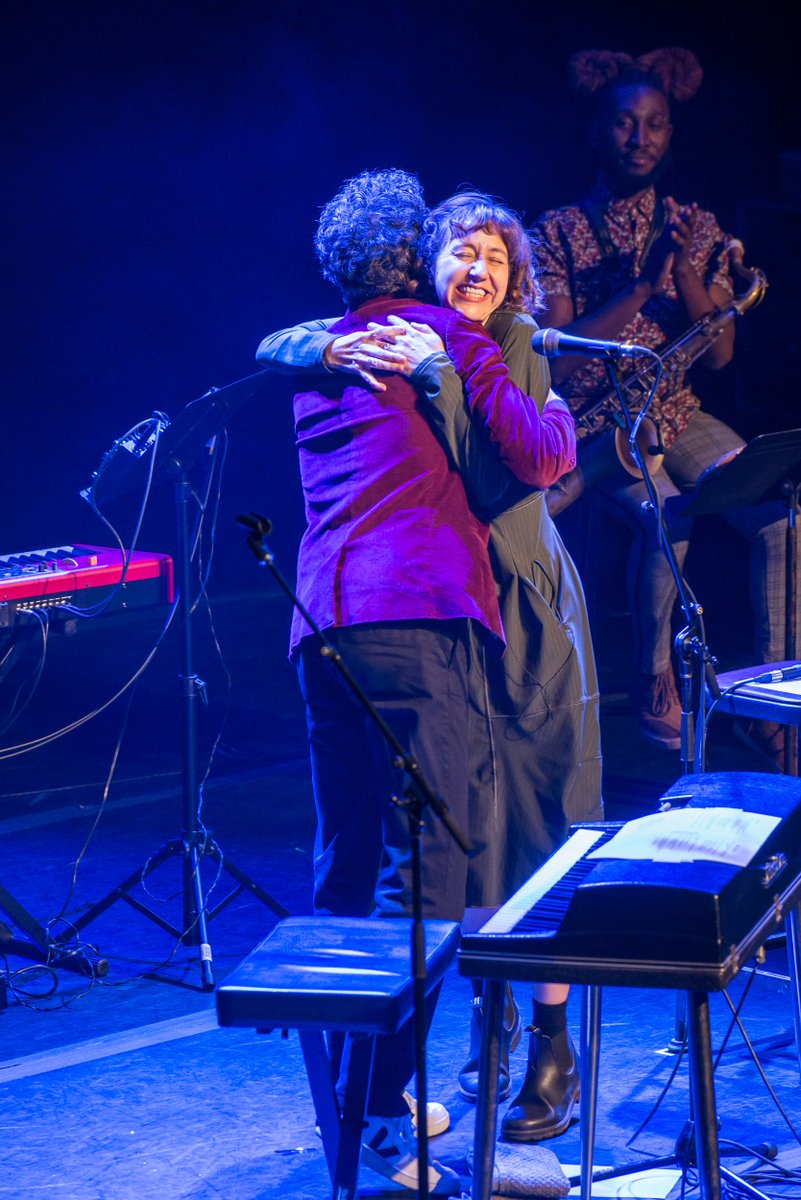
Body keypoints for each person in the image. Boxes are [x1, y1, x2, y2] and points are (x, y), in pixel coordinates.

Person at [258, 189, 603, 1143]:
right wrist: (558, 421)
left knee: (352, 862)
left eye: (495, 252)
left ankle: (362, 1108)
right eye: (458, 250)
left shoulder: (331, 349)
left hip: (322, 624)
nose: (477, 268)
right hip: (421, 617)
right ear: (419, 258)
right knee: (427, 877)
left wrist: (317, 342)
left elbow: (276, 344)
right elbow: (533, 461)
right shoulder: (441, 336)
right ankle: (377, 1110)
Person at [532, 47, 797, 759]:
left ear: (670, 133)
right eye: (624, 123)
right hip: (600, 424)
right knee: (665, 520)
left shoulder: (694, 224)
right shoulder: (556, 231)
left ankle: (769, 697)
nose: (639, 138)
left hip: (678, 410)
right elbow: (560, 353)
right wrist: (640, 287)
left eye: (653, 124)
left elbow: (718, 354)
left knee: (780, 520)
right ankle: (655, 682)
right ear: (597, 131)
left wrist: (679, 268)